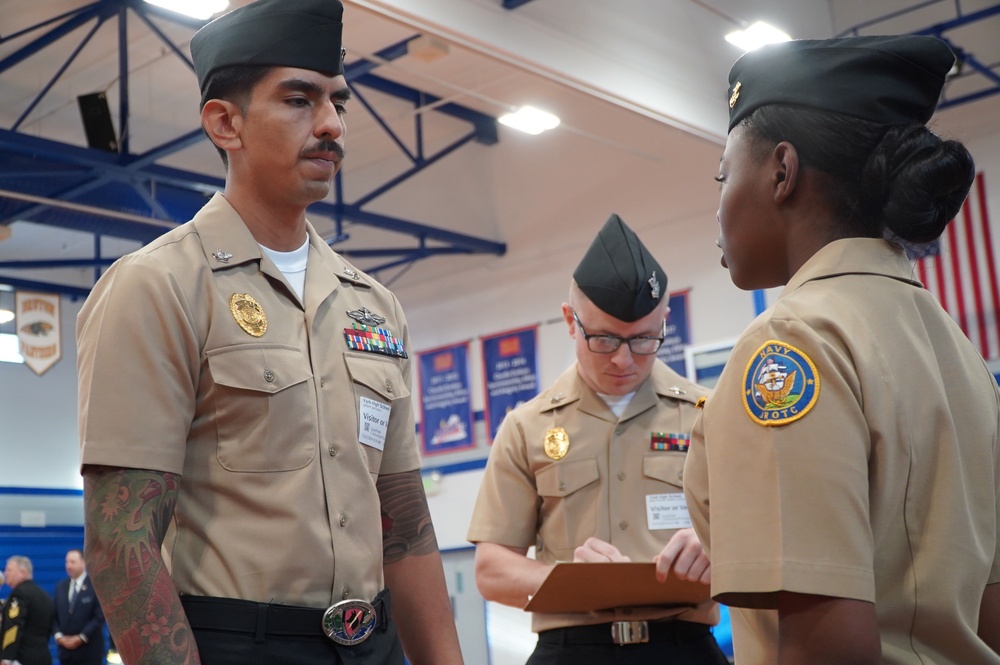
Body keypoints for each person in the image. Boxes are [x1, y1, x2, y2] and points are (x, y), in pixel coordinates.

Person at [75, 1, 463, 663]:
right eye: (298, 99)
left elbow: (404, 524)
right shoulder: (160, 286)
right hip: (237, 646)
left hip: (374, 643)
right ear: (227, 122)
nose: (332, 124)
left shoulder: (373, 307)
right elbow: (122, 545)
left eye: (337, 101)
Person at [683, 35, 1000, 664]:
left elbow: (824, 639)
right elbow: (988, 612)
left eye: (723, 174)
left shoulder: (792, 343)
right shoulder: (959, 351)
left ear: (781, 171)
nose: (717, 206)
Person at [468, 214, 730, 664]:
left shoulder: (714, 416)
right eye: (605, 340)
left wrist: (722, 546)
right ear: (571, 321)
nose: (625, 360)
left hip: (683, 648)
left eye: (645, 339)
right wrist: (567, 581)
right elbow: (492, 571)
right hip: (571, 649)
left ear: (665, 321)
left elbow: (774, 535)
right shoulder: (527, 427)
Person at [52, 549, 105, 665]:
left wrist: (81, 637)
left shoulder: (95, 586)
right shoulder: (61, 586)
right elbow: (53, 615)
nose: (68, 566)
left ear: (83, 562)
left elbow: (100, 616)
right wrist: (59, 637)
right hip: (66, 654)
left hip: (90, 652)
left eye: (72, 562)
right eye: (67, 562)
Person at [1, 556, 55, 665]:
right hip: (43, 656)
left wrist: (7, 657)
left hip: (21, 659)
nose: (6, 573)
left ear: (22, 573)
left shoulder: (19, 594)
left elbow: (14, 626)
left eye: (9, 570)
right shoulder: (44, 594)